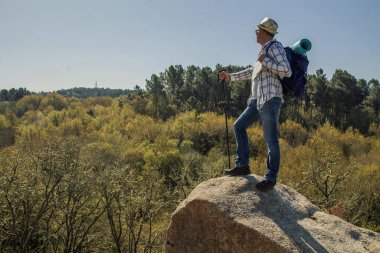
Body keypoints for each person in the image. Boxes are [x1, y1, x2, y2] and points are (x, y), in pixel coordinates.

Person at [219, 17, 291, 191]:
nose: (256, 32)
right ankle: (243, 165)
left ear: (265, 31)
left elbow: (286, 70)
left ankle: (271, 177)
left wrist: (265, 61)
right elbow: (253, 71)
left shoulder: (275, 47)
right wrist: (230, 77)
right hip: (257, 100)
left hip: (270, 99)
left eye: (258, 30)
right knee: (239, 126)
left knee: (270, 139)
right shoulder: (263, 51)